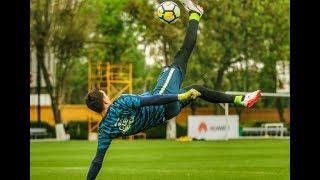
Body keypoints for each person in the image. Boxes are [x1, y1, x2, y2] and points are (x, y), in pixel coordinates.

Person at [85, 1, 261, 179]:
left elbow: (97, 161)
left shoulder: (105, 130)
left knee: (198, 89)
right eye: (105, 94)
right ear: (106, 101)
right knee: (182, 56)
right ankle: (195, 14)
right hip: (164, 97)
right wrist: (180, 96)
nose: (108, 95)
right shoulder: (121, 103)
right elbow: (153, 100)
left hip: (167, 114)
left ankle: (242, 100)